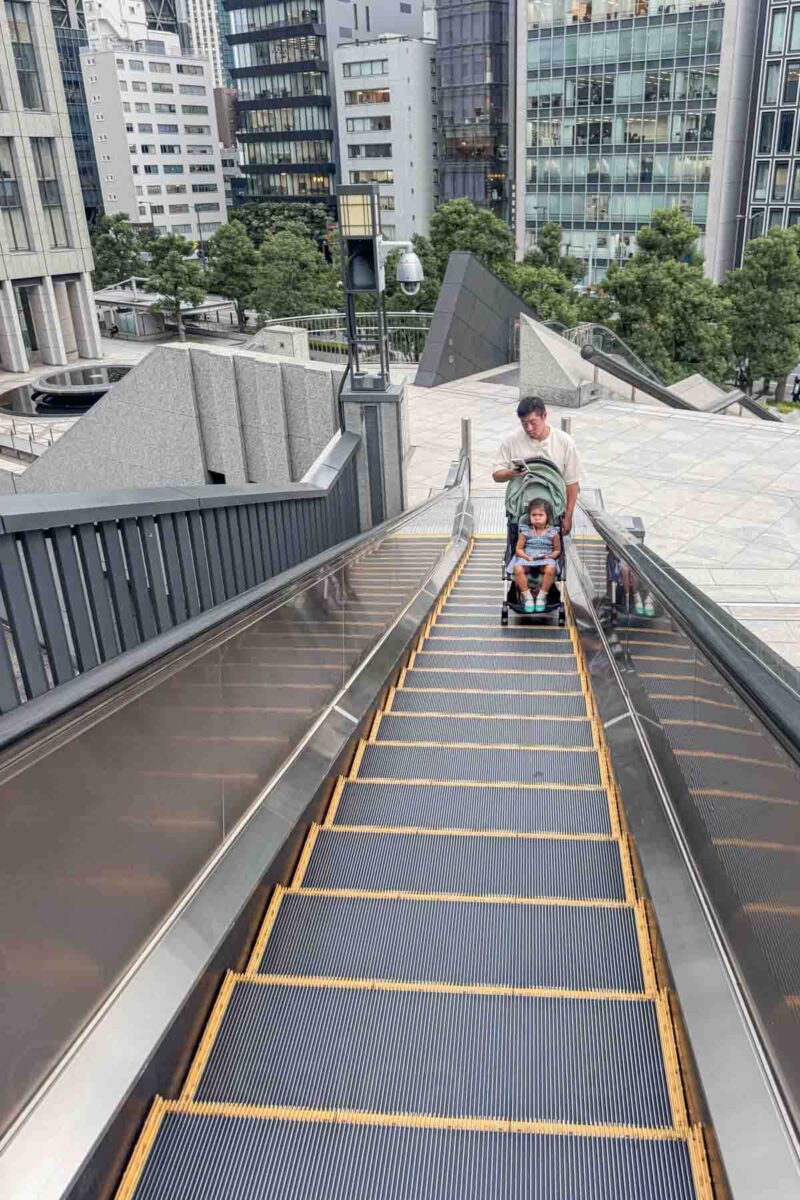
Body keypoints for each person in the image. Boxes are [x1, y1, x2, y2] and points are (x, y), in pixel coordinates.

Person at [492, 395, 582, 534]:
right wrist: (511, 473)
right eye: (524, 423)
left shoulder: (564, 442)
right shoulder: (511, 440)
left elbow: (572, 483)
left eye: (533, 422)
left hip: (553, 512)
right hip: (521, 511)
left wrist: (568, 516)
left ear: (544, 416)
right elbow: (496, 475)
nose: (528, 428)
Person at [508, 497, 561, 613]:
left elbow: (557, 550)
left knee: (551, 568)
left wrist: (551, 556)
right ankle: (527, 597)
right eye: (534, 515)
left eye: (540, 515)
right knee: (517, 568)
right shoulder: (525, 531)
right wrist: (526, 557)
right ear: (530, 516)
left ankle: (542, 596)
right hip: (528, 557)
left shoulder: (553, 532)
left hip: (545, 558)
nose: (537, 518)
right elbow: (519, 549)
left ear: (547, 516)